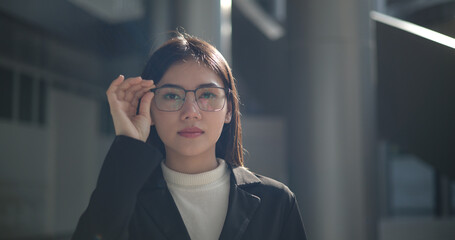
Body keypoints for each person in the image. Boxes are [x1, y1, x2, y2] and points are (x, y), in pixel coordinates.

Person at [72, 32, 307, 240]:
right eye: (172, 96)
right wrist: (129, 142)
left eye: (207, 95)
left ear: (229, 111)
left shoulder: (276, 202)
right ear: (149, 108)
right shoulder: (124, 200)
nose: (190, 113)